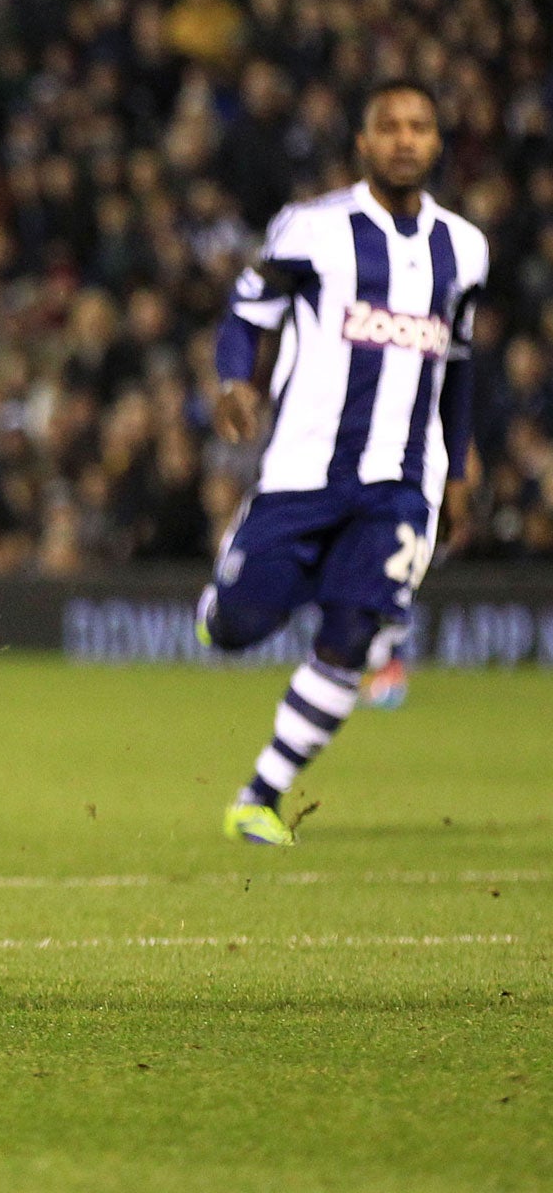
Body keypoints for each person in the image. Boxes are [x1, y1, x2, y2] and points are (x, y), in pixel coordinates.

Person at [199, 80, 486, 845]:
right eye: (389, 126)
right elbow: (245, 310)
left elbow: (457, 367)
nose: (404, 139)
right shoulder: (313, 229)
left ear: (436, 142)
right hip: (302, 473)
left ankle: (259, 795)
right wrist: (233, 380)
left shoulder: (466, 249)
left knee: (353, 634)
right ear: (363, 142)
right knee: (239, 628)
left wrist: (457, 469)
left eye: (419, 126)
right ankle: (228, 591)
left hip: (402, 484)